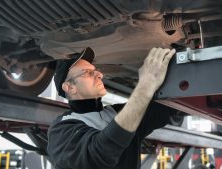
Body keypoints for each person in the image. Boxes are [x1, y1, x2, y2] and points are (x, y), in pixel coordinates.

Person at [47, 47, 176, 169]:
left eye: (95, 70)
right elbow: (101, 152)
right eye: (88, 72)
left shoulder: (115, 112)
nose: (99, 74)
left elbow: (164, 108)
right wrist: (146, 84)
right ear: (70, 87)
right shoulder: (62, 129)